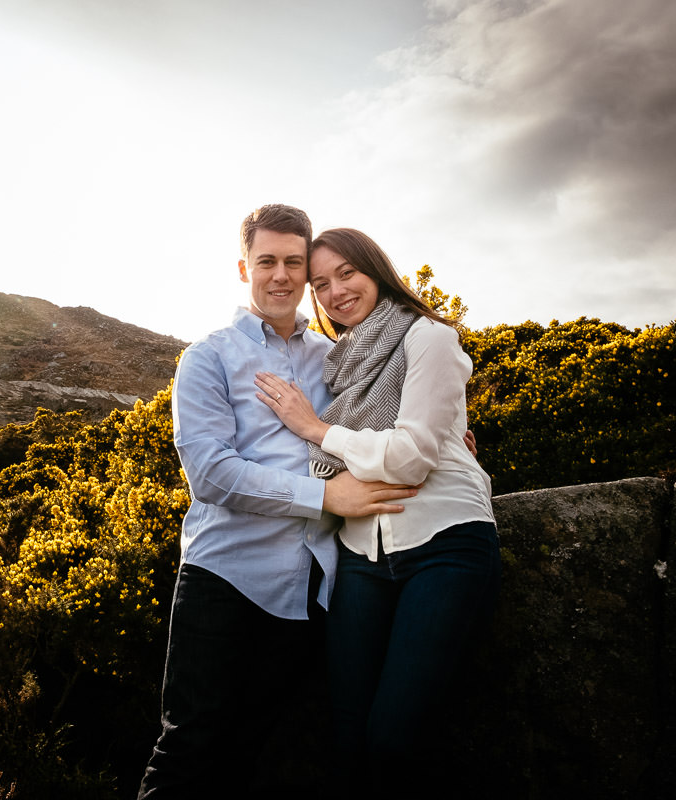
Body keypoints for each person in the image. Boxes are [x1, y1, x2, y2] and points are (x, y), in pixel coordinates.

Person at [137, 206, 419, 799]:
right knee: (189, 749)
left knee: (252, 755)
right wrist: (325, 496)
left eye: (296, 262)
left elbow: (388, 413)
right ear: (245, 268)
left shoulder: (334, 356)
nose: (282, 276)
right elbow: (211, 474)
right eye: (268, 261)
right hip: (225, 577)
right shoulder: (208, 357)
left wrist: (444, 434)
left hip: (309, 591)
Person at [254, 227, 501, 796]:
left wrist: (317, 429)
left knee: (394, 738)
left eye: (347, 273)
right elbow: (384, 453)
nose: (336, 292)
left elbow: (412, 458)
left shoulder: (428, 336)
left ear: (376, 270)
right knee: (346, 737)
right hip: (361, 553)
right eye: (320, 284)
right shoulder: (338, 366)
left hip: (445, 543)